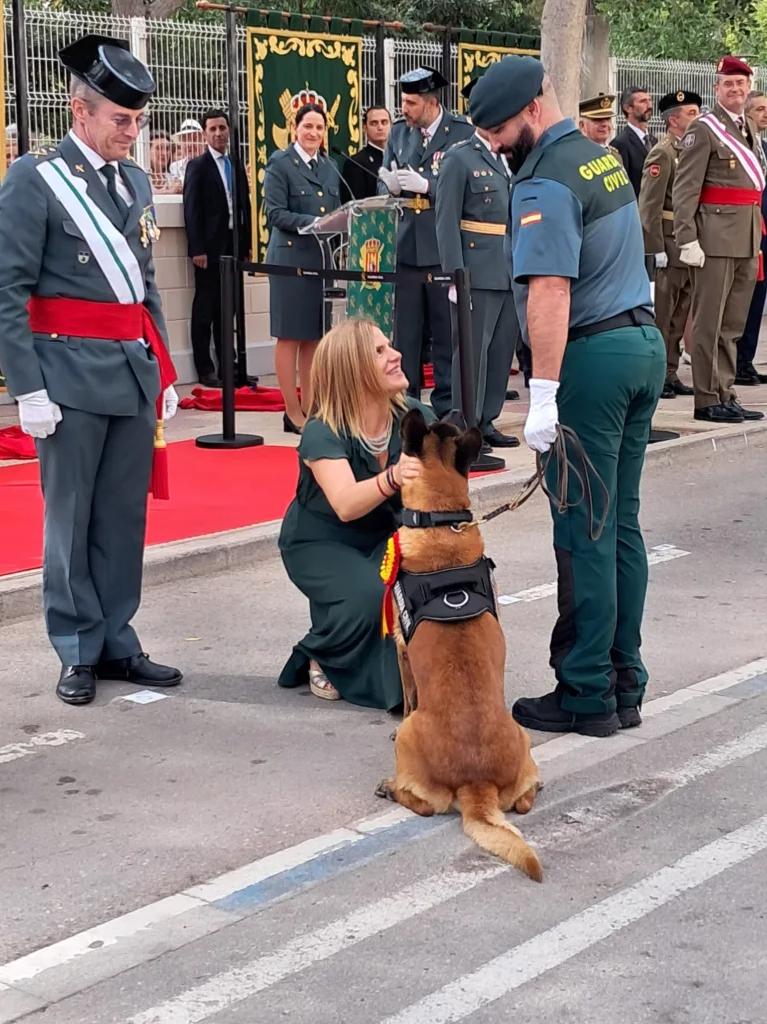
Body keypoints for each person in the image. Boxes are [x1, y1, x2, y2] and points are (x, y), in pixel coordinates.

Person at [469, 55, 665, 738]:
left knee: (583, 532)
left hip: (591, 362)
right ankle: (624, 682)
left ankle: (585, 692)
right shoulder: (597, 156)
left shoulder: (546, 179)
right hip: (640, 346)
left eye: (497, 129)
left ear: (532, 109)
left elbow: (549, 289)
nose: (493, 144)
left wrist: (542, 395)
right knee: (620, 528)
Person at [0, 34, 182, 705]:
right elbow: (7, 293)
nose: (132, 134)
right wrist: (27, 389)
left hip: (129, 372)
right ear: (81, 113)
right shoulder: (34, 180)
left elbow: (145, 288)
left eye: (137, 122)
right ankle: (76, 648)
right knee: (69, 521)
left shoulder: (133, 180)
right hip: (65, 378)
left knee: (121, 518)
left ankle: (117, 640)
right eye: (120, 120)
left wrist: (163, 372)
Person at [278, 318, 433, 709]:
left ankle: (413, 675)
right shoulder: (322, 430)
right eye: (380, 352)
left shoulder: (414, 415)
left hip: (385, 533)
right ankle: (318, 654)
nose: (395, 355)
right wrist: (394, 476)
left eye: (390, 345)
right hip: (322, 541)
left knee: (413, 590)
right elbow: (346, 505)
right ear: (353, 370)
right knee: (373, 595)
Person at [673, 55, 766, 424]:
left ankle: (725, 391)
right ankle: (706, 398)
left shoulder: (749, 129)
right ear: (717, 88)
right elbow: (685, 190)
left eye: (741, 84)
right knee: (709, 322)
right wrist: (686, 238)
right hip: (712, 239)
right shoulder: (705, 129)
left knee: (732, 324)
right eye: (728, 84)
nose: (736, 90)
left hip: (745, 237)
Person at [378, 67, 474, 416]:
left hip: (440, 245)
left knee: (446, 334)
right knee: (406, 335)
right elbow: (384, 178)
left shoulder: (460, 132)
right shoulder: (400, 134)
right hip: (405, 247)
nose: (403, 108)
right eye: (403, 100)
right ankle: (407, 407)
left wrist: (429, 187)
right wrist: (387, 186)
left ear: (431, 102)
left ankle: (448, 407)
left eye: (411, 102)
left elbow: (470, 186)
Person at [435, 77, 520, 449]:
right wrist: (456, 276)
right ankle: (465, 424)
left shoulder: (512, 154)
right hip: (476, 269)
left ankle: (487, 420)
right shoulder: (460, 156)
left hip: (509, 266)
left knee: (501, 350)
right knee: (472, 352)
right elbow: (446, 219)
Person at [264, 102, 342, 433]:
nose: (313, 133)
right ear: (295, 128)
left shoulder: (329, 166)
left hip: (320, 259)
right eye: (307, 126)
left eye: (319, 128)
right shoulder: (281, 163)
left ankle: (311, 408)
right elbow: (276, 213)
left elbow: (337, 208)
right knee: (290, 335)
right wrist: (314, 222)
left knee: (313, 337)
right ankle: (292, 411)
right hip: (291, 258)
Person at [638, 90, 701, 400]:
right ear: (674, 120)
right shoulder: (664, 153)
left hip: (689, 240)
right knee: (663, 315)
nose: (698, 118)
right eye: (691, 114)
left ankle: (671, 371)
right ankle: (657, 375)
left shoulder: (691, 149)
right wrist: (655, 247)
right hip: (669, 241)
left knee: (680, 314)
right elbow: (648, 204)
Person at [183, 108, 252, 389]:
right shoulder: (198, 166)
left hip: (233, 242)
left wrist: (246, 244)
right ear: (204, 134)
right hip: (208, 248)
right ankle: (205, 368)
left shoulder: (235, 163)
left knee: (230, 307)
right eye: (212, 129)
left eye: (222, 128)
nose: (218, 133)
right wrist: (197, 248)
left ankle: (229, 366)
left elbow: (244, 206)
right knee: (206, 307)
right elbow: (192, 210)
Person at [735, 89, 767, 386]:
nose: (765, 114)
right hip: (745, 232)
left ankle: (746, 360)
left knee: (758, 301)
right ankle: (735, 361)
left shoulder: (762, 146)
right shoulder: (741, 147)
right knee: (742, 300)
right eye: (759, 109)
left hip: (762, 231)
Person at [612, 86, 657, 197]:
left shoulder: (654, 141)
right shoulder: (620, 144)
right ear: (628, 108)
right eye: (643, 102)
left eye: (650, 100)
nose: (650, 106)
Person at [341, 106, 392, 202]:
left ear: (391, 125)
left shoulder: (399, 158)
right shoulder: (356, 163)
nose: (380, 127)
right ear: (365, 128)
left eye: (384, 122)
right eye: (374, 123)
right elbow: (355, 205)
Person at [578, 94, 623, 164]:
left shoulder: (615, 155)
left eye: (608, 119)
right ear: (582, 126)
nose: (605, 124)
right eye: (598, 120)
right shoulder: (577, 156)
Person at [169, 118, 204, 182]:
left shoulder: (211, 163)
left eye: (194, 139)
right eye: (185, 140)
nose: (189, 144)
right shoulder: (175, 166)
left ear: (203, 140)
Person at [149, 130, 182, 194]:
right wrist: (169, 192)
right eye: (158, 148)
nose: (164, 153)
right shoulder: (142, 177)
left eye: (167, 148)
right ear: (148, 150)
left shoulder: (172, 179)